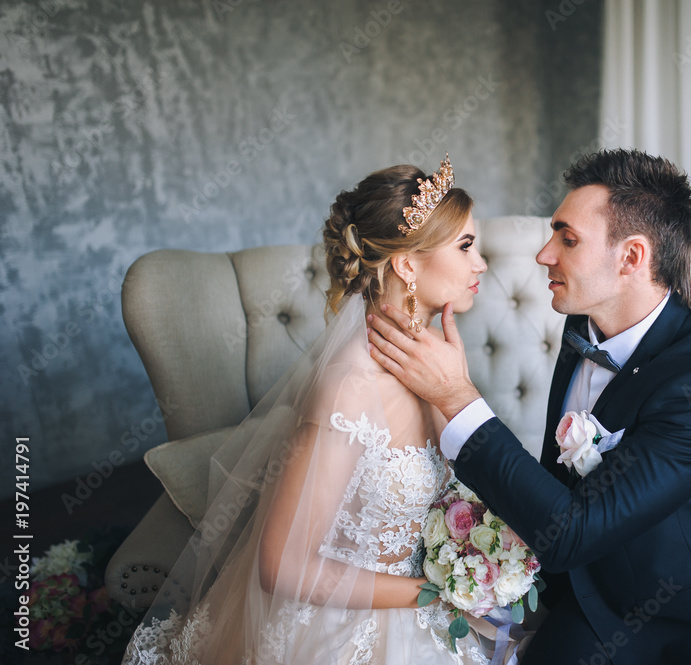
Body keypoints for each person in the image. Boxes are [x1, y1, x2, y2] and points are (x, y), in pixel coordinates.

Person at [367, 149, 691, 664]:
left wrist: (457, 397)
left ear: (631, 258)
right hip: (595, 601)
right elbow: (556, 484)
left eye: (568, 238)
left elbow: (572, 532)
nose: (544, 254)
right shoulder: (581, 329)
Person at [121, 156, 518, 664]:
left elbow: (471, 475)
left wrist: (457, 390)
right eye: (465, 246)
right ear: (406, 264)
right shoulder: (350, 387)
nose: (480, 263)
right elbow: (282, 565)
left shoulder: (436, 356)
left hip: (428, 603)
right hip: (351, 626)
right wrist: (437, 592)